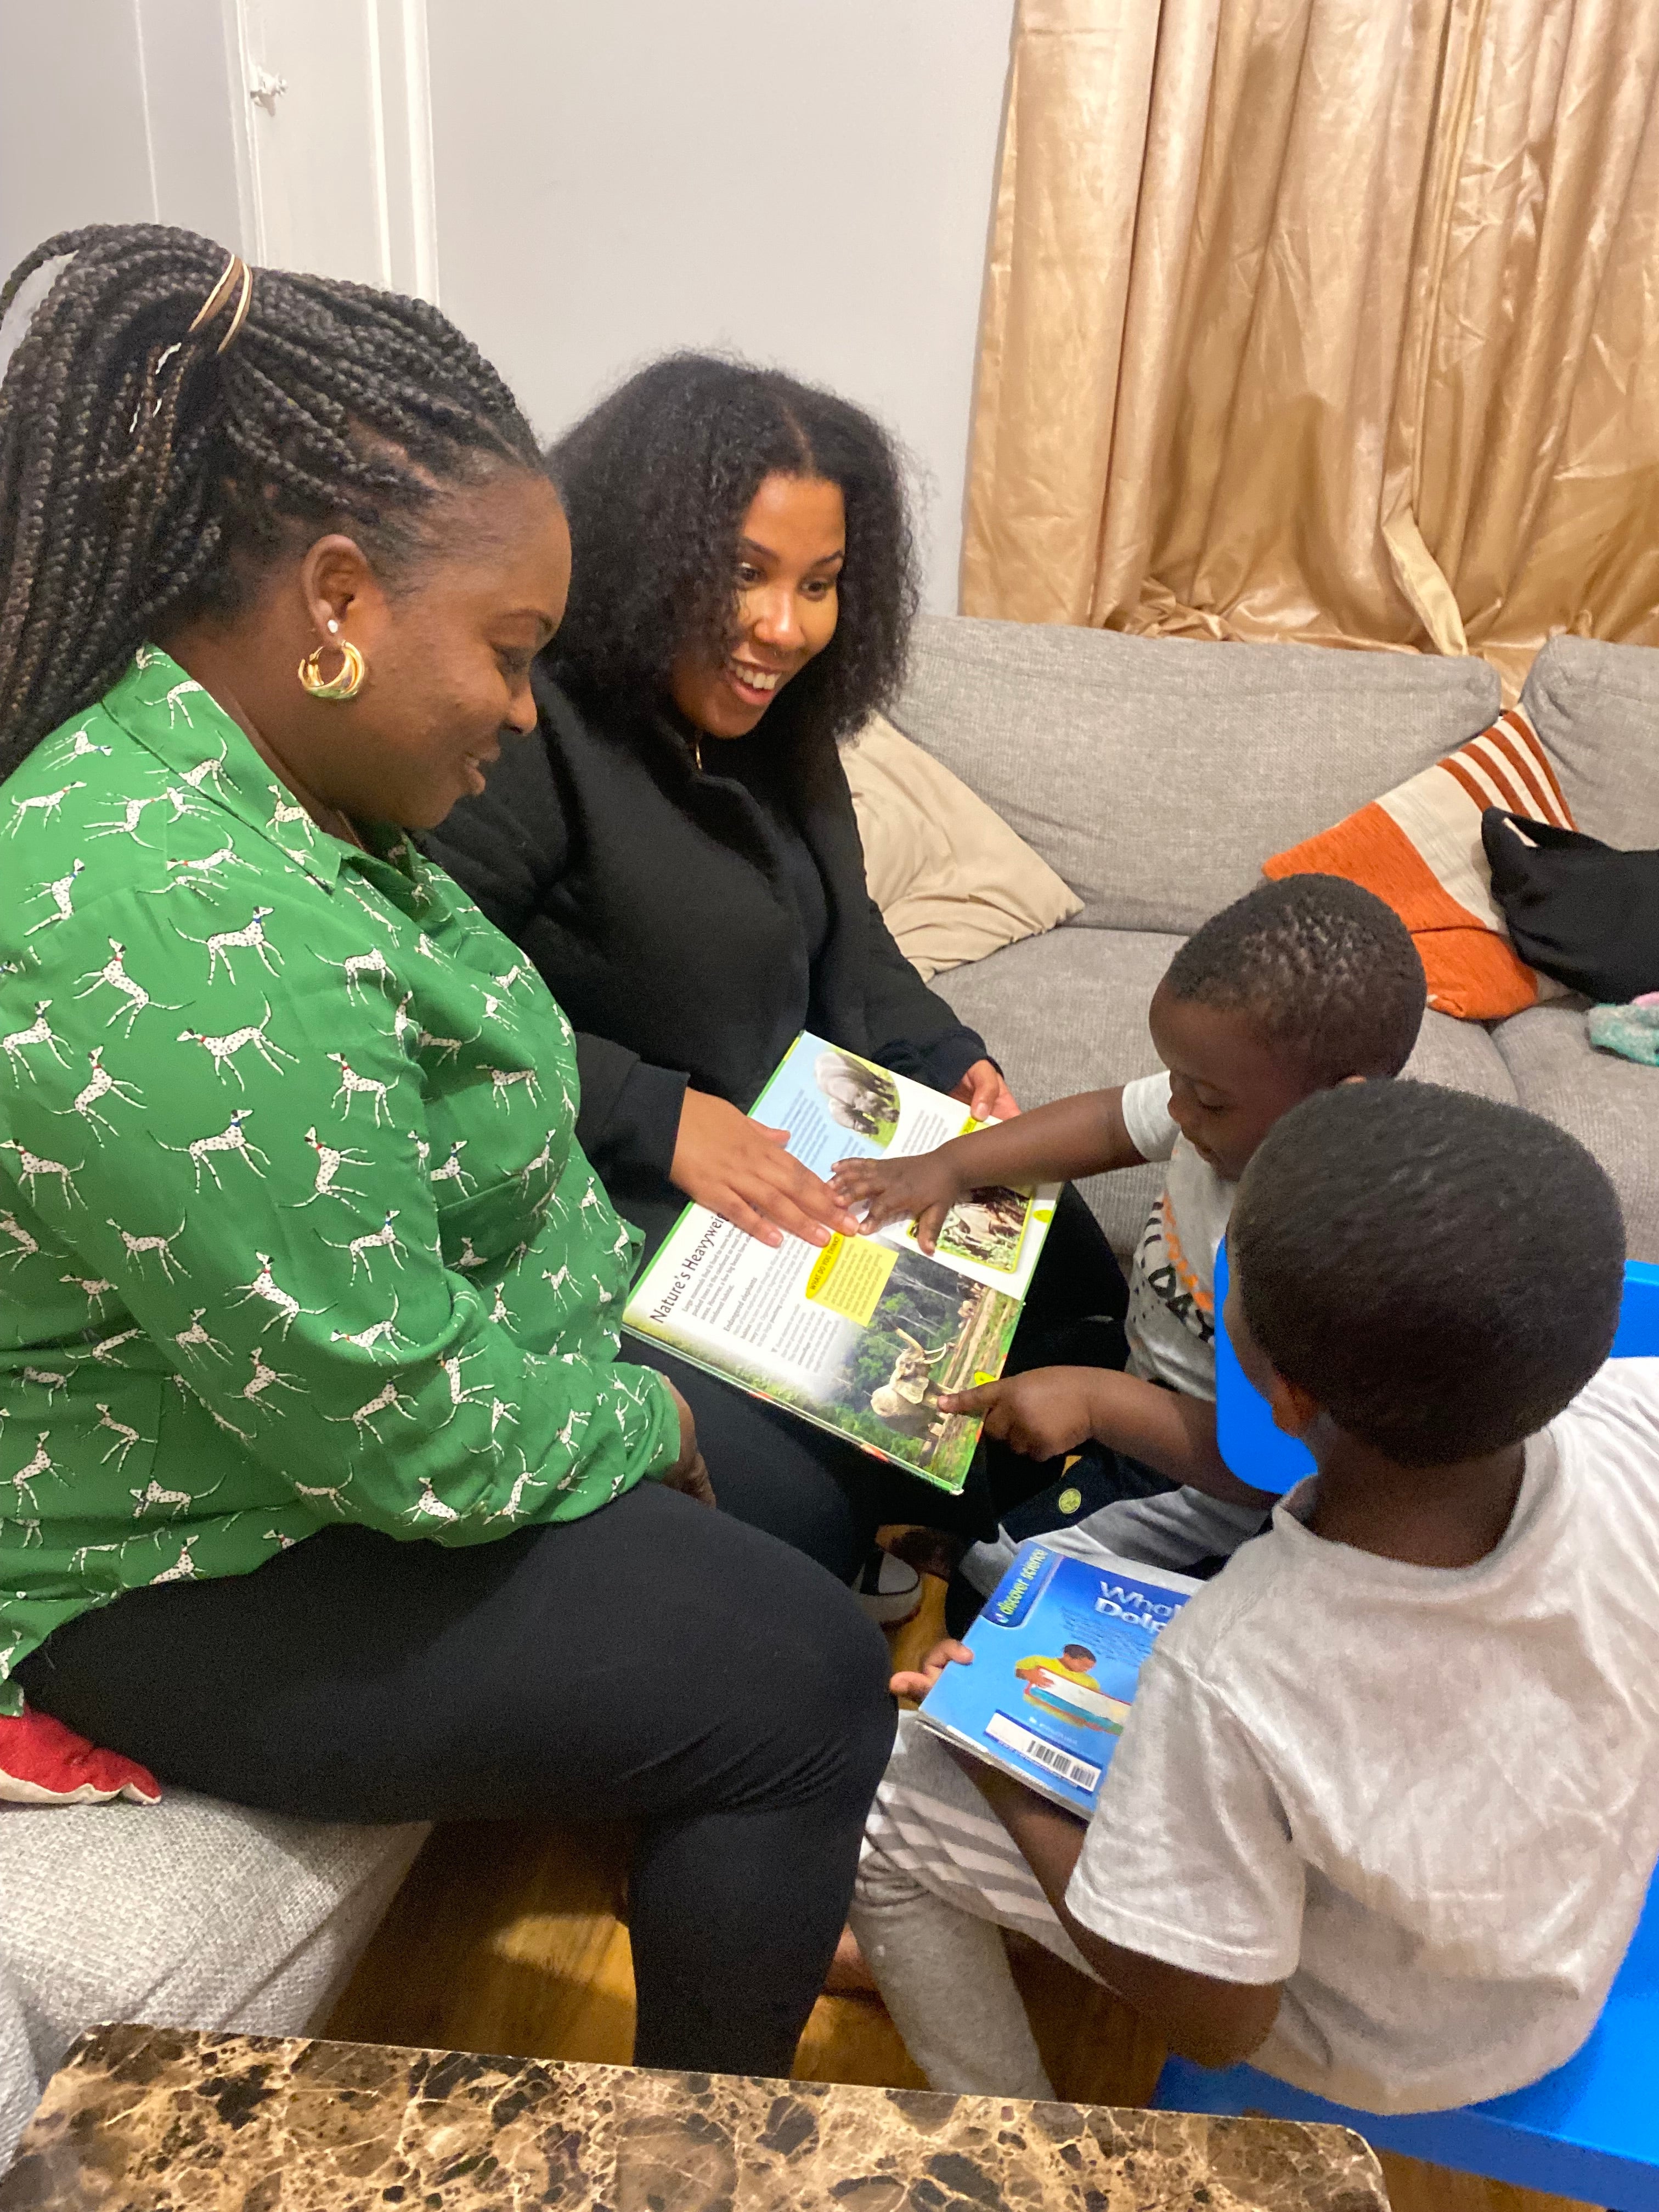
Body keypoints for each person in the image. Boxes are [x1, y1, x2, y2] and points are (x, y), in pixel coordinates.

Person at [0, 224, 896, 2080]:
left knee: (812, 1501)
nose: (516, 710)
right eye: (504, 655)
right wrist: (633, 1427)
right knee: (805, 1679)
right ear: (336, 600)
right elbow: (397, 1419)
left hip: (351, 1426)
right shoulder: (148, 918)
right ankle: (694, 2158)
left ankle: (696, 1824)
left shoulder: (268, 781)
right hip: (180, 1563)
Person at [425, 356, 1128, 1597]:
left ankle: (987, 1551)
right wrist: (654, 1113)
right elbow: (420, 1001)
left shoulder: (781, 730)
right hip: (610, 1178)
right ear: (647, 551)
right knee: (788, 1502)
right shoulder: (534, 734)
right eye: (744, 574)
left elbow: (848, 935)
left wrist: (952, 1061)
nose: (785, 628)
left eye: (820, 585)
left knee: (1062, 1249)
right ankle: (879, 1558)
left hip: (810, 1143)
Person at [851, 1081, 1659, 2115]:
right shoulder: (1627, 1418)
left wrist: (997, 1769)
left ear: (1278, 1394)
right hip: (1569, 1948)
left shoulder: (1235, 1666)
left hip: (1384, 2041)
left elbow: (1217, 2024)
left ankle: (1021, 2140)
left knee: (906, 1797)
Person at [833, 875, 1427, 1628]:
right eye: (1176, 1081)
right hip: (1138, 1368)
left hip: (1201, 1486)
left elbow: (1278, 1466)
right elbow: (1112, 1123)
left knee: (1012, 1572)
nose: (1178, 1111)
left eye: (1206, 1101)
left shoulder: (1335, 1255)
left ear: (1337, 1105)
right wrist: (953, 1165)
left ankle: (967, 1628)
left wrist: (1098, 1405)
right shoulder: (1212, 1101)